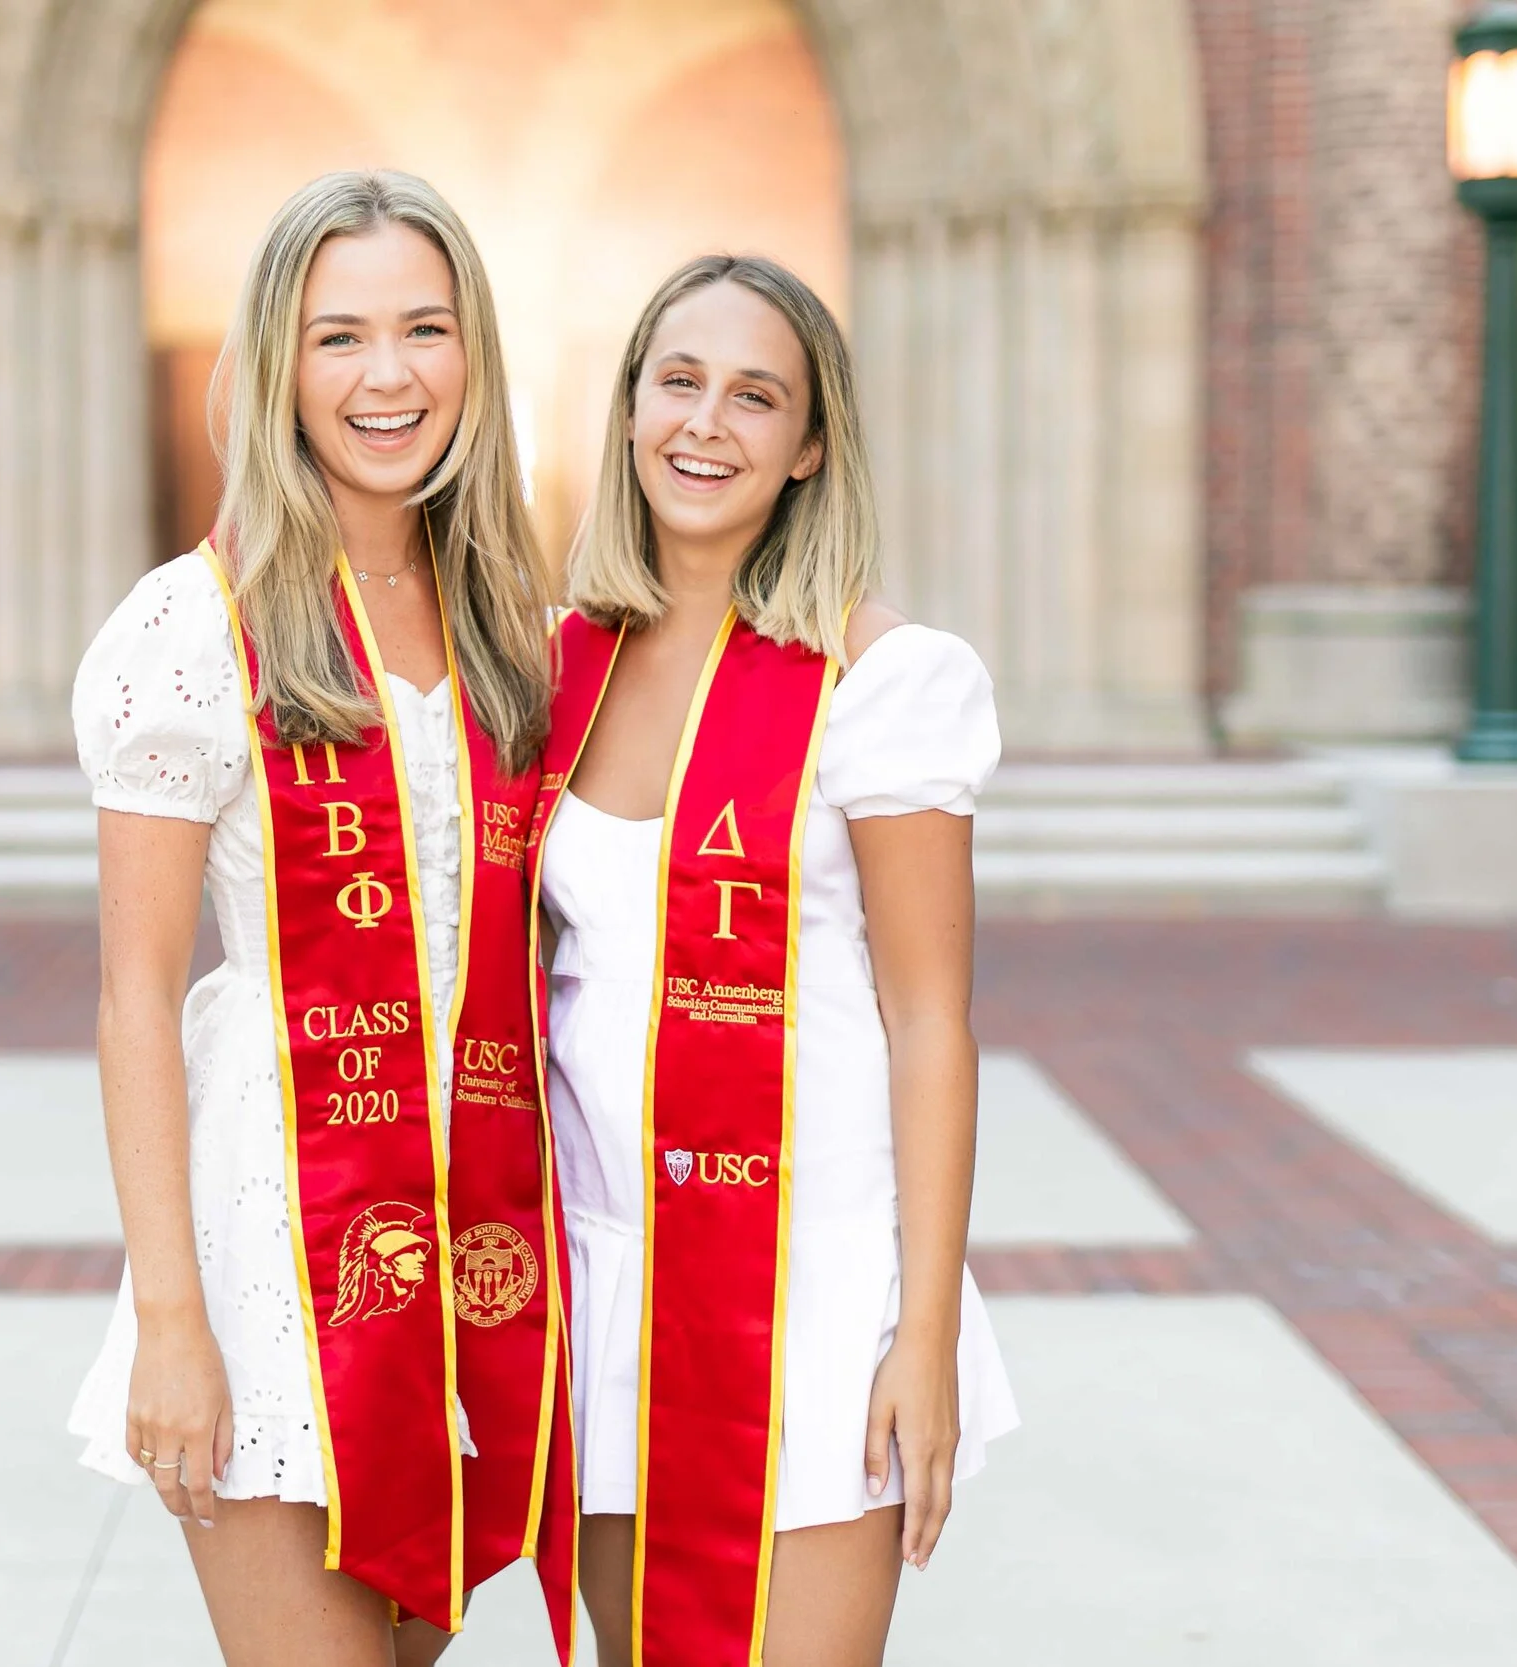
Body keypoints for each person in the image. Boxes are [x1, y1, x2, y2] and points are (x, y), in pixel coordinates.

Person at [69, 170, 573, 1667]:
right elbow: (135, 996)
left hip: (474, 1239)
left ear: (475, 353)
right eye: (337, 336)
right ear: (278, 365)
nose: (386, 375)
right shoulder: (197, 623)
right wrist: (174, 1319)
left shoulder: (510, 626)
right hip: (277, 1238)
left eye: (425, 328)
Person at [531, 255, 1020, 1667]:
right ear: (629, 409)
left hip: (811, 1281)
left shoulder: (882, 679)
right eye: (679, 382)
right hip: (611, 1273)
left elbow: (930, 1020)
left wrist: (922, 1333)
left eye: (756, 397)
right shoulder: (557, 668)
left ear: (810, 446)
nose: (707, 423)